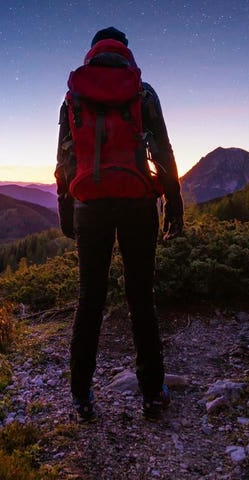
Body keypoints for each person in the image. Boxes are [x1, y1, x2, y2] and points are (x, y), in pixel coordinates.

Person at [55, 26, 184, 422]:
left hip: (89, 205)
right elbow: (161, 148)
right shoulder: (142, 92)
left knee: (89, 299)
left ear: (91, 51)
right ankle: (152, 393)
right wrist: (173, 202)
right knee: (141, 297)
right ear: (125, 51)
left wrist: (66, 208)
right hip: (137, 202)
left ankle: (81, 397)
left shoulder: (74, 94)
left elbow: (65, 157)